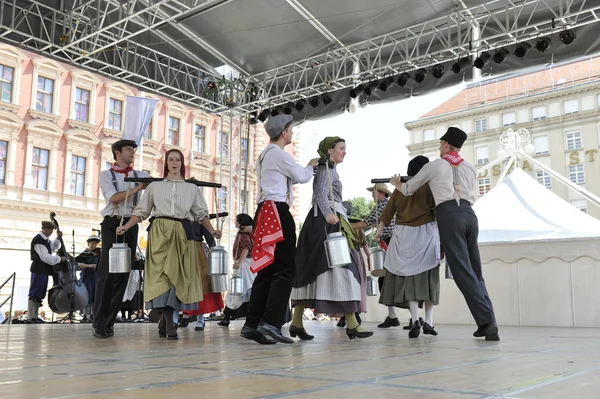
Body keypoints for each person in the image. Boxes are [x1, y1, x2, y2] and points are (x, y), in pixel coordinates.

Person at [390, 127, 500, 341]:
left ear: (447, 145)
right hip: (470, 214)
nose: (439, 147)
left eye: (441, 143)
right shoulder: (470, 167)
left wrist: (396, 184)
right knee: (476, 271)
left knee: (462, 272)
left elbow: (409, 189)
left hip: (450, 215)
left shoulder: (435, 165)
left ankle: (487, 321)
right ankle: (487, 322)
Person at [117, 149, 221, 340]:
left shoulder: (191, 188)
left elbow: (201, 213)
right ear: (166, 163)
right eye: (171, 159)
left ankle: (169, 321)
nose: (174, 163)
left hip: (182, 233)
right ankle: (167, 320)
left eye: (178, 160)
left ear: (182, 163)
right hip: (159, 231)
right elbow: (142, 211)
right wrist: (126, 226)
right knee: (160, 277)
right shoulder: (155, 187)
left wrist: (212, 230)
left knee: (177, 278)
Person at [241, 114, 319, 345]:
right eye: (290, 129)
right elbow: (301, 176)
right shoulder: (279, 154)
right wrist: (311, 166)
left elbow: (282, 179)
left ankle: (252, 323)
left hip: (264, 209)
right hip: (276, 210)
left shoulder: (265, 155)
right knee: (285, 268)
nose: (292, 133)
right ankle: (272, 323)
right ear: (284, 132)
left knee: (266, 269)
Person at [291, 137, 373, 340]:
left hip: (326, 221)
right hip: (326, 222)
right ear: (330, 150)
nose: (345, 152)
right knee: (340, 267)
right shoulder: (325, 168)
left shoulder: (330, 169)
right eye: (342, 148)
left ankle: (297, 322)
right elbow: (320, 194)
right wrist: (328, 214)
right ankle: (352, 324)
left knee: (315, 269)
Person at [375, 156, 440, 338]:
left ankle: (415, 318)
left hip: (403, 235)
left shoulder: (399, 188)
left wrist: (379, 231)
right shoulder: (430, 186)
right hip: (426, 234)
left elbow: (388, 213)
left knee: (409, 278)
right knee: (429, 278)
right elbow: (438, 211)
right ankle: (429, 321)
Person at [94, 139, 149, 338]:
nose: (132, 152)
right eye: (128, 149)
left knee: (123, 274)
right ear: (117, 153)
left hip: (131, 224)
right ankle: (99, 322)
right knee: (107, 272)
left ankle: (109, 322)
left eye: (133, 150)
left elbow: (157, 182)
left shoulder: (139, 174)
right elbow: (113, 197)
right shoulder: (106, 175)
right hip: (112, 223)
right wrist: (137, 189)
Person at [350, 183, 400, 329]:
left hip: (389, 243)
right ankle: (405, 316)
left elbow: (366, 223)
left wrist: (346, 225)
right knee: (391, 278)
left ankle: (396, 316)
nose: (372, 194)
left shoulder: (381, 206)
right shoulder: (389, 204)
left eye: (374, 192)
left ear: (382, 193)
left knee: (386, 280)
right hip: (394, 242)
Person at [218, 213, 255, 327]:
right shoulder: (246, 233)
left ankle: (228, 317)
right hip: (247, 264)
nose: (235, 222)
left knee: (237, 291)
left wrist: (239, 262)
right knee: (241, 292)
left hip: (243, 265)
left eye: (236, 220)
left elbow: (245, 248)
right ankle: (228, 317)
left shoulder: (243, 235)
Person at [27, 221, 66, 323]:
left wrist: (58, 238)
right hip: (38, 268)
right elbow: (45, 257)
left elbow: (54, 247)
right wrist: (59, 259)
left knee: (40, 292)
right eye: (51, 230)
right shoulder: (39, 240)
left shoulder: (46, 240)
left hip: (43, 269)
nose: (51, 233)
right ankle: (31, 317)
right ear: (45, 229)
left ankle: (34, 316)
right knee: (35, 292)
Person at [74, 235, 101, 322]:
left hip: (95, 276)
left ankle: (93, 314)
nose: (94, 245)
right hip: (86, 276)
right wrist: (89, 265)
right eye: (92, 243)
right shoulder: (84, 254)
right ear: (88, 243)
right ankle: (85, 315)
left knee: (95, 294)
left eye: (95, 244)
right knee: (86, 294)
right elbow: (78, 264)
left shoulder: (98, 254)